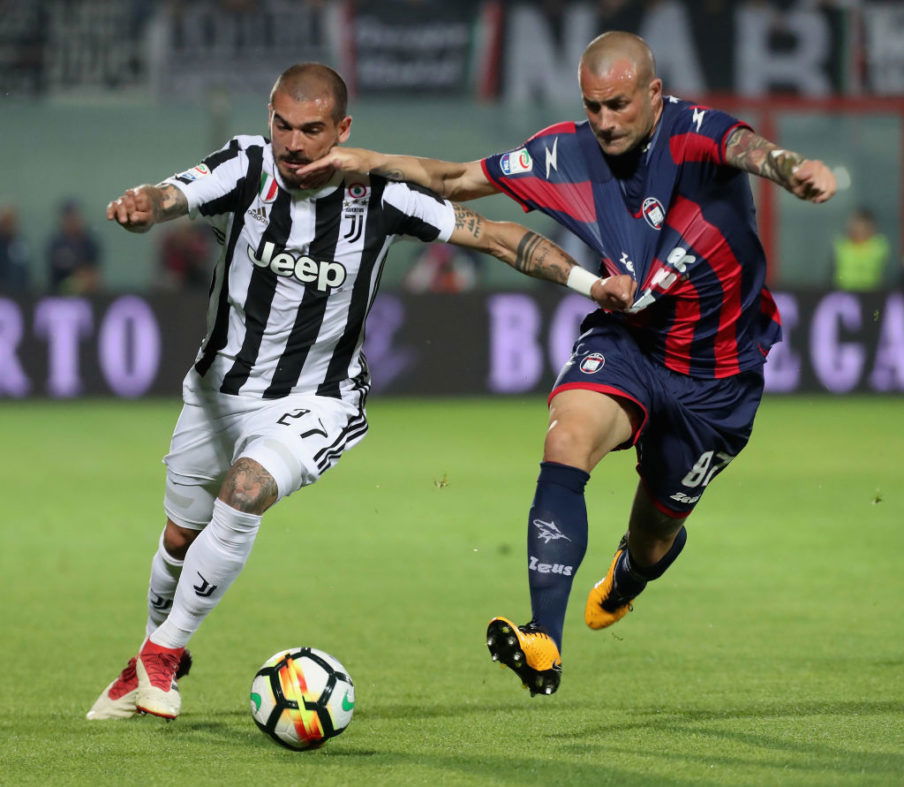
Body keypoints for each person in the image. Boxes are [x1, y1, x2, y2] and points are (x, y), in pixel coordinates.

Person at [86, 62, 634, 721]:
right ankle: (149, 654)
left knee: (246, 489)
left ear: (343, 130)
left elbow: (490, 236)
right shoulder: (247, 166)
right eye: (282, 125)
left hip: (316, 399)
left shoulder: (382, 194)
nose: (293, 144)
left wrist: (588, 284)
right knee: (179, 539)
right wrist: (145, 206)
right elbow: (174, 193)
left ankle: (163, 657)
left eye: (311, 130)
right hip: (216, 391)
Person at [298, 32, 837, 696]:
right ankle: (544, 638)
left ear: (653, 94)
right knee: (568, 437)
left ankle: (633, 572)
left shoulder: (695, 133)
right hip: (630, 341)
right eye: (593, 106)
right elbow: (455, 179)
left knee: (655, 533)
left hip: (717, 377)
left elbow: (749, 149)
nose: (605, 122)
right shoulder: (561, 151)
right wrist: (369, 161)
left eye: (617, 105)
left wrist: (793, 167)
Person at [46, 199, 103, 294]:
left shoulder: (90, 243)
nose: (74, 220)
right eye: (70, 216)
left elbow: (95, 271)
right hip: (59, 296)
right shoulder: (56, 244)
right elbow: (56, 271)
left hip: (88, 295)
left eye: (76, 216)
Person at [832, 207, 892, 291]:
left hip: (872, 291)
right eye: (856, 224)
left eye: (863, 225)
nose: (859, 228)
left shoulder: (879, 245)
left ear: (871, 227)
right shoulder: (840, 244)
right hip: (844, 291)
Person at [0, 205, 31, 295]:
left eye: (11, 221)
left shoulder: (20, 242)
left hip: (19, 291)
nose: (8, 225)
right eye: (6, 221)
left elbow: (24, 268)